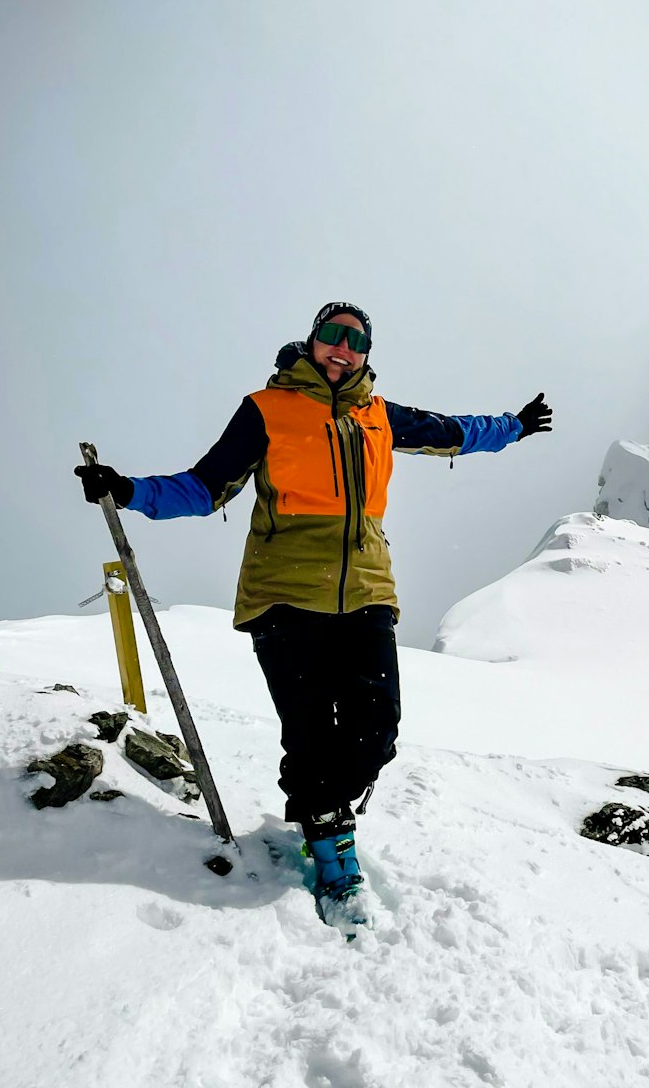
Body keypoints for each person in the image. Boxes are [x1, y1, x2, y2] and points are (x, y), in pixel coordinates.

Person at [76, 301, 551, 925]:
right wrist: (129, 490)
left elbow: (453, 430)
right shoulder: (267, 410)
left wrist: (513, 426)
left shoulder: (379, 414)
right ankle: (333, 860)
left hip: (366, 595)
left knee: (376, 730)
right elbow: (204, 486)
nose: (343, 347)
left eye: (356, 340)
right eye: (332, 334)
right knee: (309, 732)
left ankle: (318, 809)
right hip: (284, 594)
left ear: (366, 354)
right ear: (312, 341)